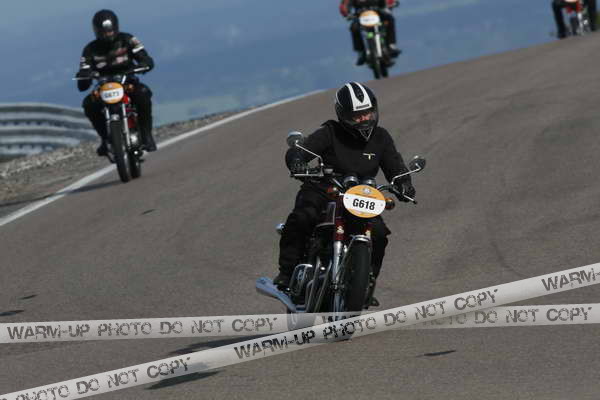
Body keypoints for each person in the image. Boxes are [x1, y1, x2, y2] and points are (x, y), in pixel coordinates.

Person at [273, 82, 416, 306]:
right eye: (357, 116)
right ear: (343, 115)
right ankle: (287, 271)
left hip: (361, 194)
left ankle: (365, 283)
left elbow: (395, 167)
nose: (364, 119)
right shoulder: (330, 132)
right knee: (302, 217)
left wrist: (404, 184)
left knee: (378, 233)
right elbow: (301, 151)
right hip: (325, 188)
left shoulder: (381, 137)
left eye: (368, 113)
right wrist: (297, 161)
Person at [75, 9, 157, 156]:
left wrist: (144, 64)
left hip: (128, 82)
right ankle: (105, 139)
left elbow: (144, 57)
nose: (108, 35)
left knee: (143, 94)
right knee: (89, 104)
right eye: (104, 32)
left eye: (110, 31)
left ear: (116, 28)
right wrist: (84, 76)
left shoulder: (128, 40)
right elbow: (84, 70)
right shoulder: (90, 50)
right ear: (97, 31)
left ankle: (146, 134)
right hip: (103, 86)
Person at [339, 0, 401, 66]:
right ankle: (361, 52)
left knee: (390, 19)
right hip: (360, 16)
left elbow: (388, 1)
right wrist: (347, 14)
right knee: (354, 28)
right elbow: (344, 5)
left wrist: (391, 3)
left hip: (379, 13)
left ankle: (390, 45)